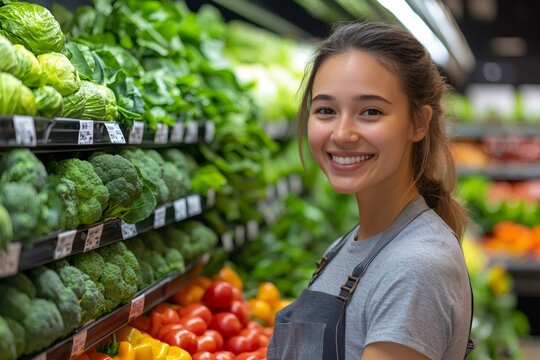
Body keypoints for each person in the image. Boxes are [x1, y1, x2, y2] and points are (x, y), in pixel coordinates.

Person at [267, 22, 474, 360]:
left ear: (418, 123)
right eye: (326, 111)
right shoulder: (356, 241)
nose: (343, 133)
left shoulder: (414, 268)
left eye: (371, 111)